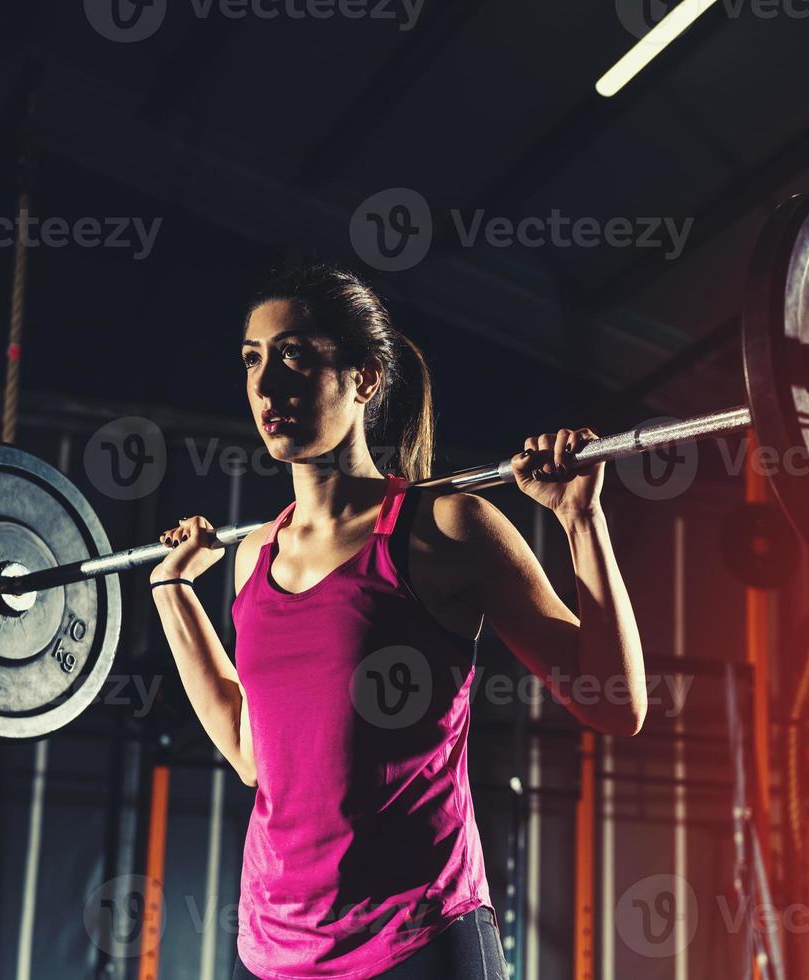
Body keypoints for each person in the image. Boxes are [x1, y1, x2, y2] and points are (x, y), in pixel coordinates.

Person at [150, 263, 647, 979]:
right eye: (253, 360)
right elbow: (252, 752)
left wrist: (581, 519)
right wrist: (171, 593)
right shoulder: (253, 556)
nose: (266, 386)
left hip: (416, 945)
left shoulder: (445, 527)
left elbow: (616, 702)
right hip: (273, 952)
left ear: (365, 379)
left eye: (295, 355)